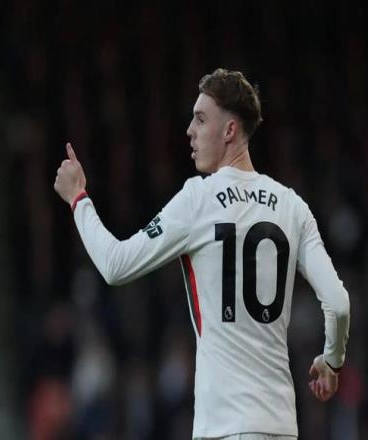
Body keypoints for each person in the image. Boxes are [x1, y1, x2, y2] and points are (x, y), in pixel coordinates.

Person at [54, 68, 350, 440]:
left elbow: (115, 264)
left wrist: (78, 198)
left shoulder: (199, 199)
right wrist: (332, 360)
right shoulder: (293, 207)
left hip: (224, 427)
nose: (189, 131)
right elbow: (338, 303)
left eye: (200, 119)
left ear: (229, 130)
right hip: (280, 426)